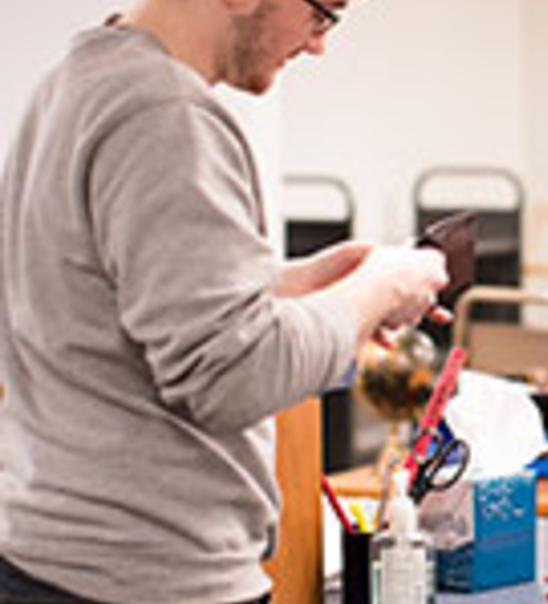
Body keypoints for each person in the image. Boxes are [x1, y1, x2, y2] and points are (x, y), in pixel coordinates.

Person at [0, 1, 450, 603]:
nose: (319, 45)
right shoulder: (164, 113)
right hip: (147, 580)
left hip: (54, 563)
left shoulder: (73, 85)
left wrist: (292, 286)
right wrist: (379, 289)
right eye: (323, 13)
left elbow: (112, 307)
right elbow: (231, 377)